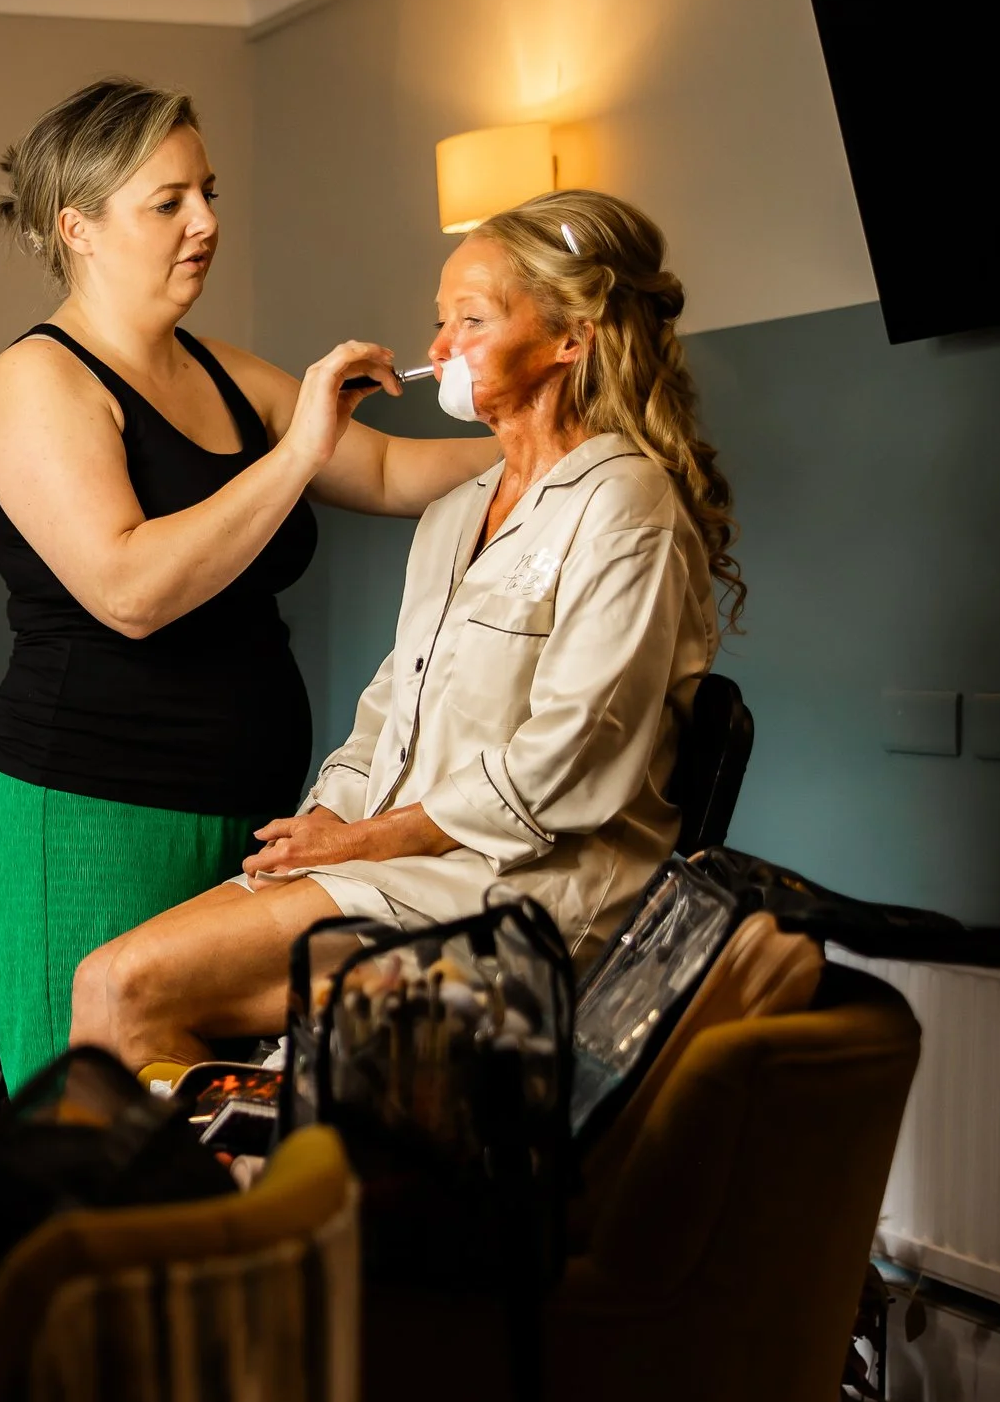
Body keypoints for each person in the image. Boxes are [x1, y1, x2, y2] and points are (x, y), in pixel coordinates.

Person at [70, 189, 740, 1072]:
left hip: (528, 899)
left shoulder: (626, 503)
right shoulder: (456, 513)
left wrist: (357, 843)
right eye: (439, 321)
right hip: (399, 868)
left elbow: (567, 761)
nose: (438, 350)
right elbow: (387, 717)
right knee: (105, 979)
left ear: (570, 338)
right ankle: (254, 1200)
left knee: (129, 987)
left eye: (470, 319)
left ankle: (255, 1205)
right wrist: (317, 826)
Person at [0, 78, 501, 1089]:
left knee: (214, 1127)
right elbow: (129, 589)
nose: (205, 223)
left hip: (252, 803)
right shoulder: (38, 381)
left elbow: (387, 471)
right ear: (76, 227)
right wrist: (297, 446)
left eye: (206, 193)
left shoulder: (219, 369)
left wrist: (553, 438)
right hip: (89, 806)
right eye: (166, 203)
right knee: (91, 1128)